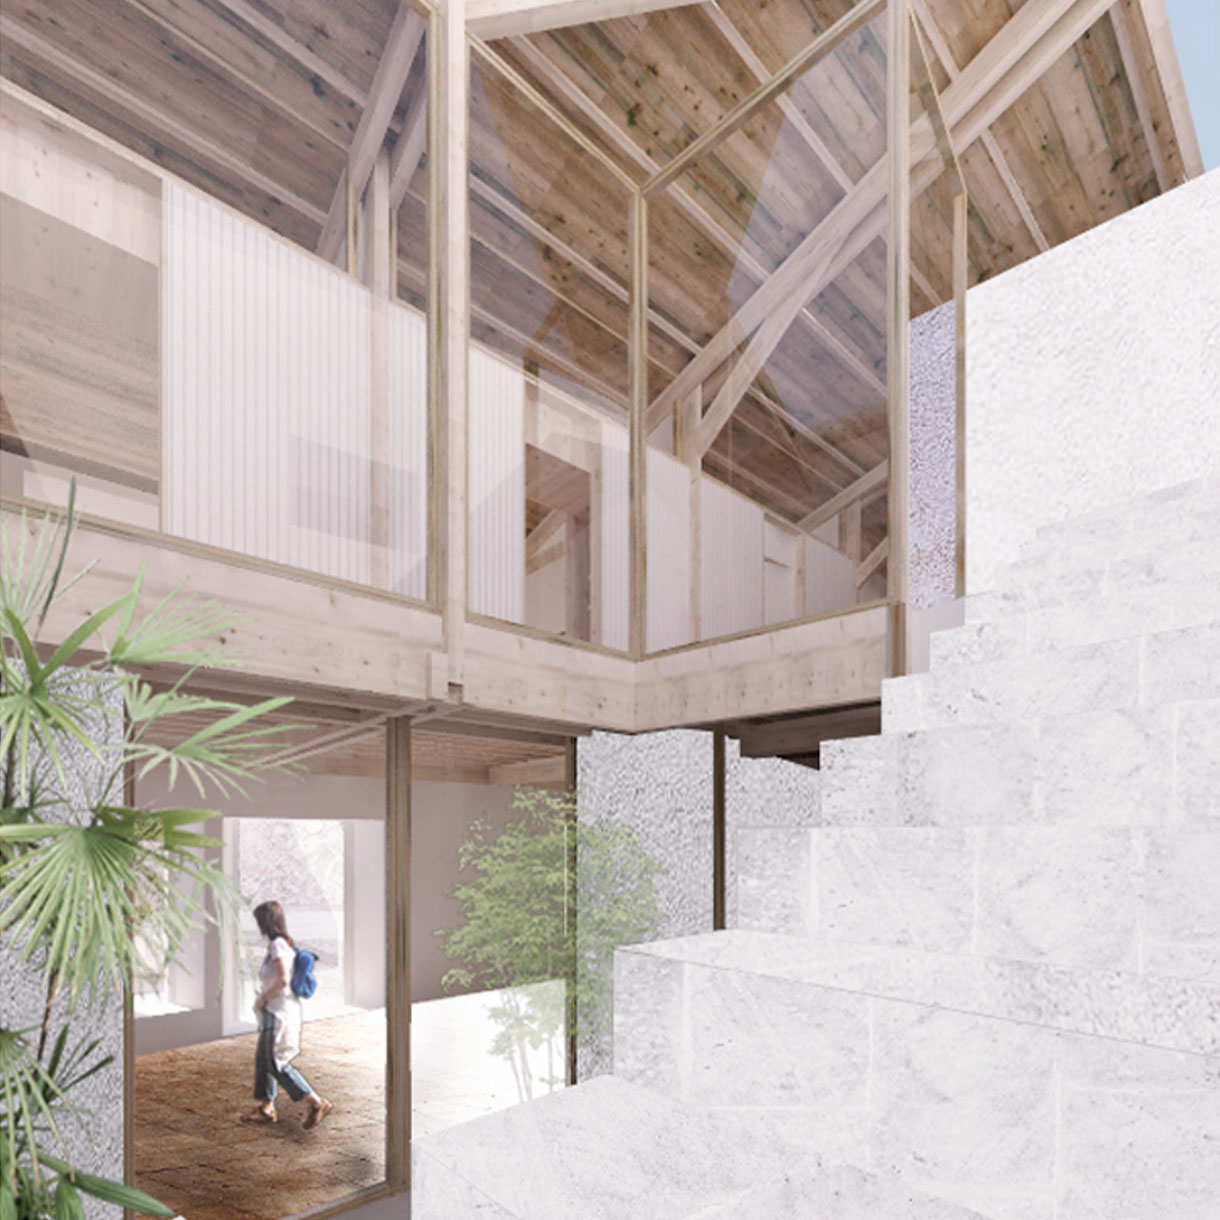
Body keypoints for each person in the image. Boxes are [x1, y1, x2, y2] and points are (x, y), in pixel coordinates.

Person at [240, 900, 332, 1129]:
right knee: (264, 1059)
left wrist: (262, 998)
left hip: (279, 1010)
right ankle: (267, 1107)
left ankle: (316, 1102)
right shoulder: (282, 944)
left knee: (276, 1062)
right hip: (276, 1009)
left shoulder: (278, 946)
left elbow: (282, 980)